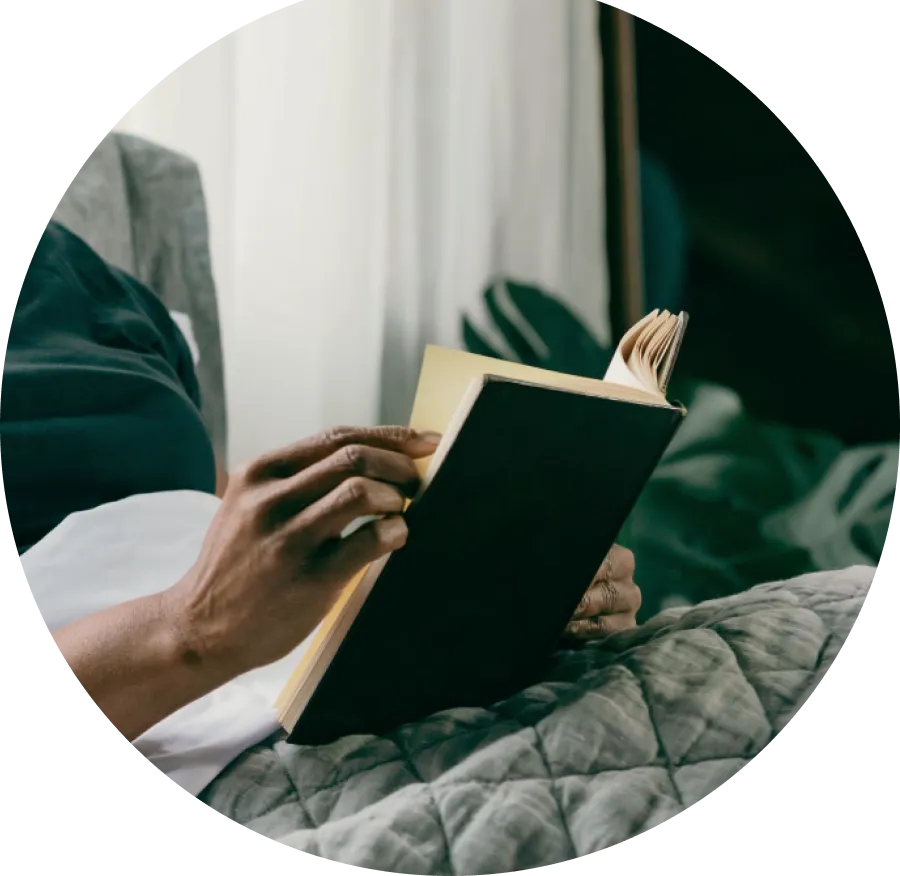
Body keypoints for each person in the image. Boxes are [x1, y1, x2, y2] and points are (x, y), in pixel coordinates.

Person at [6, 220, 641, 744]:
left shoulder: (77, 278)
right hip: (177, 717)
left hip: (315, 682)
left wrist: (506, 596)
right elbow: (208, 600)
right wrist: (192, 629)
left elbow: (211, 512)